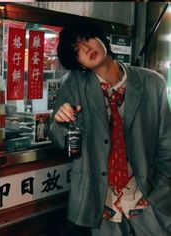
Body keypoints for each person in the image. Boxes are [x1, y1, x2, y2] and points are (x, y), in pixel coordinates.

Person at [49, 21, 171, 236]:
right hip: (101, 204)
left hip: (149, 200)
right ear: (79, 63)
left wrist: (162, 189)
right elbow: (61, 141)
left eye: (86, 39)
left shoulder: (153, 83)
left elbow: (167, 144)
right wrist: (61, 123)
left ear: (101, 38)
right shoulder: (74, 84)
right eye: (77, 50)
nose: (86, 48)